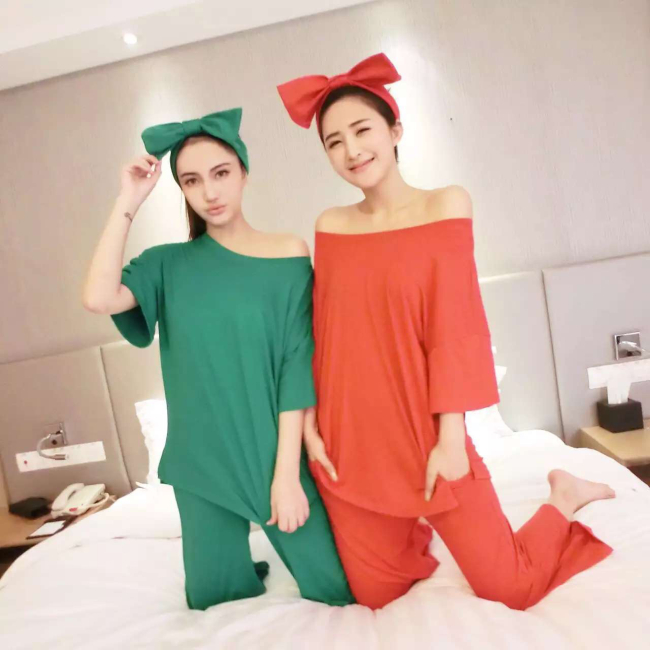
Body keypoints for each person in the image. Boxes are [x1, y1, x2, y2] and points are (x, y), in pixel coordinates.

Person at [277, 54, 615, 610]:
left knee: (511, 586)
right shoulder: (330, 225)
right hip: (351, 444)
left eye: (362, 130)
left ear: (395, 131)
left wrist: (451, 438)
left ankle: (564, 497)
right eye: (334, 142)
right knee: (378, 596)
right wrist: (310, 425)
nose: (351, 150)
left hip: (428, 434)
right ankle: (408, 526)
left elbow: (455, 325)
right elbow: (324, 336)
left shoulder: (446, 204)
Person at [82, 108, 353, 610]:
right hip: (201, 462)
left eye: (221, 173)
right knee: (214, 602)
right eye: (192, 180)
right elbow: (99, 298)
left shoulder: (288, 253)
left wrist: (286, 475)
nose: (209, 192)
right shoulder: (167, 264)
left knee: (337, 591)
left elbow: (297, 362)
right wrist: (128, 199)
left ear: (243, 172)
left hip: (273, 454)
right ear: (182, 190)